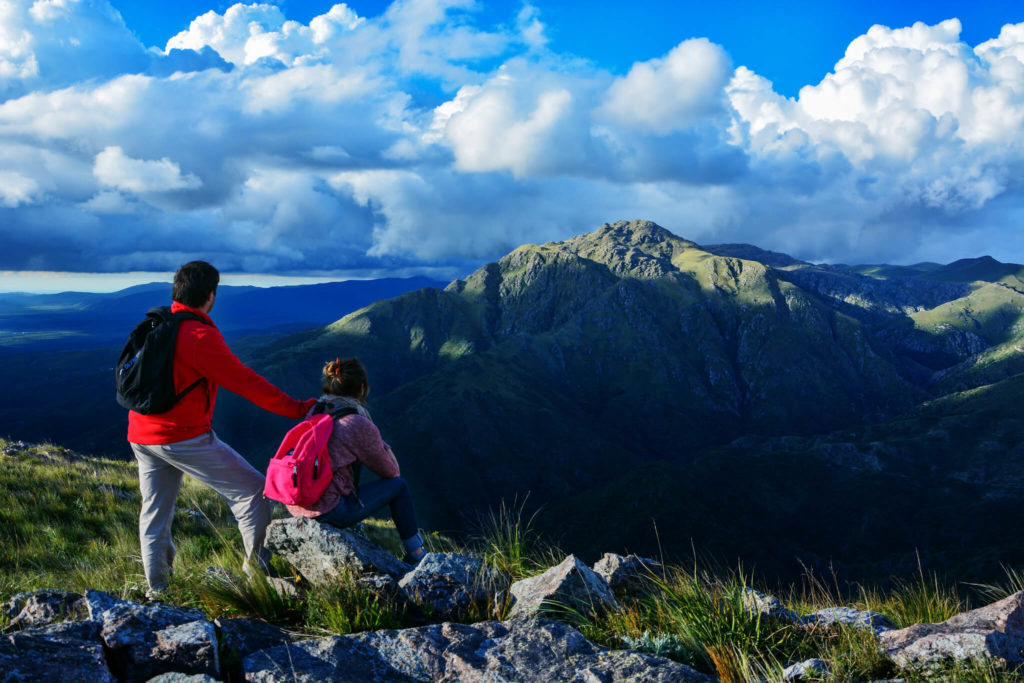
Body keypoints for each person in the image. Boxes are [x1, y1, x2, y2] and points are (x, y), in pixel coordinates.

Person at [127, 260, 316, 599]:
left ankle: (158, 591)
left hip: (141, 434)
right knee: (256, 493)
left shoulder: (158, 324)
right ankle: (255, 577)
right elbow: (247, 383)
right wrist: (299, 409)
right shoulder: (198, 335)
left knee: (155, 513)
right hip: (181, 436)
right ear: (211, 296)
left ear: (177, 290)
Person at [285, 357, 426, 564]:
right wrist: (379, 441)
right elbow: (391, 472)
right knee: (400, 486)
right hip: (330, 510)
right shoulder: (358, 422)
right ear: (361, 388)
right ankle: (417, 554)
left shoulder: (315, 410)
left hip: (297, 505)